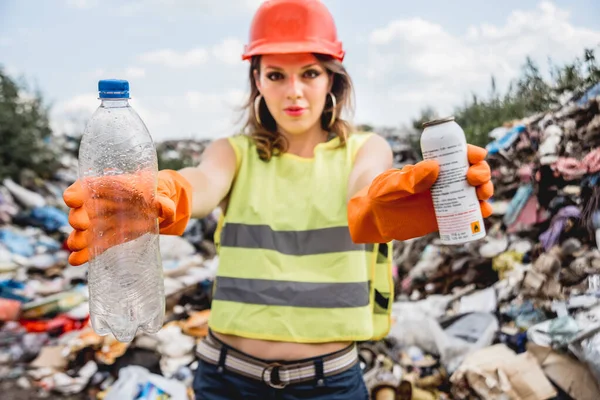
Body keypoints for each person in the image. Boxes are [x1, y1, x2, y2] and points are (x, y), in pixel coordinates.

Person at [63, 0, 494, 398]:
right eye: (276, 75)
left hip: (330, 383)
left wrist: (386, 206)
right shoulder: (234, 152)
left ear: (332, 80)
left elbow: (368, 191)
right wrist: (165, 194)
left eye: (309, 73)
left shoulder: (365, 149)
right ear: (257, 80)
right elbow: (202, 182)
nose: (293, 92)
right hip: (225, 378)